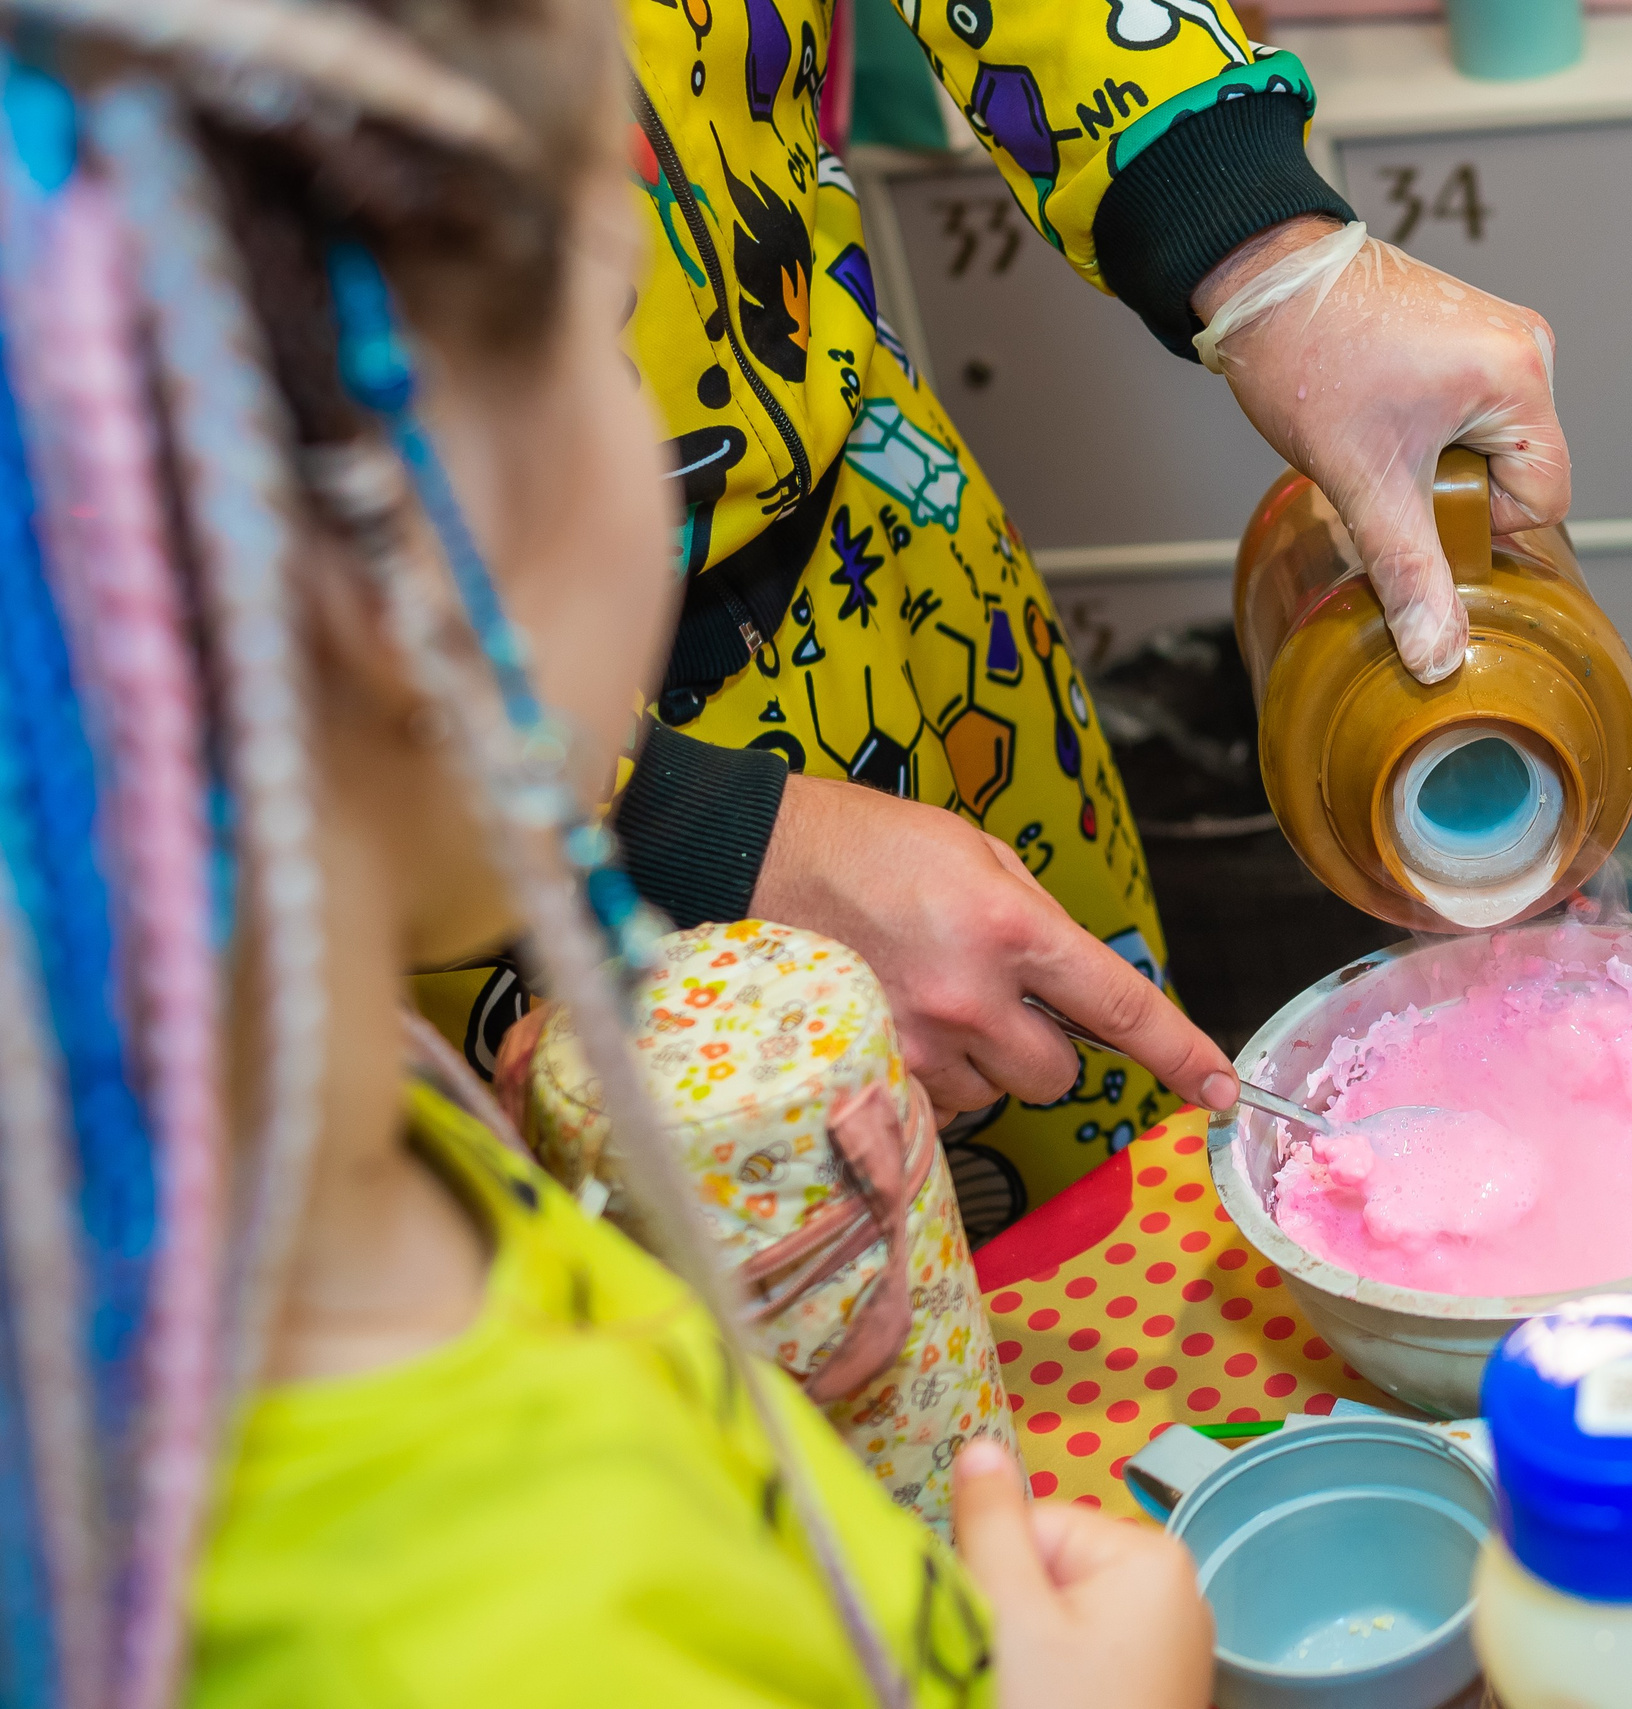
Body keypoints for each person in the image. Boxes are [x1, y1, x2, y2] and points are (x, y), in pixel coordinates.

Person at [0, 3, 1213, 1704]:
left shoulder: (361, 1123)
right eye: (614, 321)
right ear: (398, 568)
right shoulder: (523, 1628)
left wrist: (732, 1420)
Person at [431, 0, 1571, 1238]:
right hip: (453, 786)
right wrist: (683, 830)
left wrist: (1262, 251)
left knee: (1096, 1199)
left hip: (892, 559)